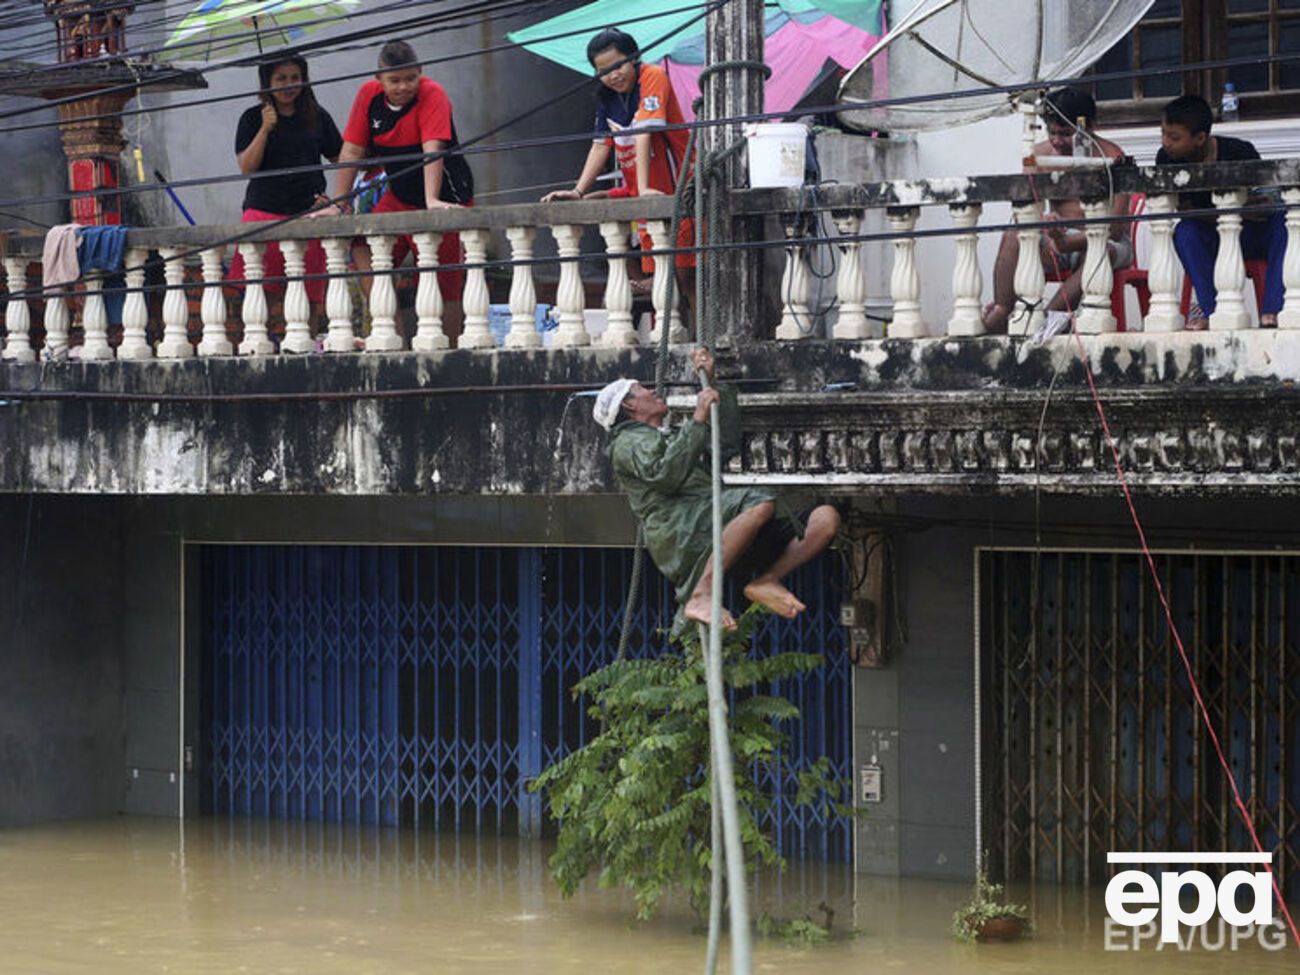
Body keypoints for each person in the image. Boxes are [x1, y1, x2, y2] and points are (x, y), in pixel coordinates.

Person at [594, 347, 840, 631]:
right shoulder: (628, 442)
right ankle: (702, 592)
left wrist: (714, 383)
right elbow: (665, 475)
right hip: (683, 527)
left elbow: (723, 446)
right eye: (642, 390)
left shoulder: (671, 435)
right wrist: (697, 420)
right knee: (758, 502)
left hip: (713, 519)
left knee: (826, 518)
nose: (652, 391)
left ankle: (767, 579)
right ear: (630, 406)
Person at [542, 28, 695, 317]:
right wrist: (577, 192)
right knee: (665, 281)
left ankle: (699, 346)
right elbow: (601, 145)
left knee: (686, 280)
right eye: (604, 71)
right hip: (645, 202)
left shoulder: (652, 76)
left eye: (618, 66)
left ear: (634, 59)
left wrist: (644, 187)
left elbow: (644, 132)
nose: (613, 75)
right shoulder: (606, 97)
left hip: (676, 190)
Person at [334, 40, 474, 343]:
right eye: (394, 80)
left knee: (444, 282)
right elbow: (352, 150)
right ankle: (390, 338)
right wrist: (340, 203)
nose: (403, 87)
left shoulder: (433, 93)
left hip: (446, 195)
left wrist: (432, 201)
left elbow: (432, 151)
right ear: (379, 79)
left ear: (420, 73)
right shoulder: (367, 97)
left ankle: (446, 351)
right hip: (398, 196)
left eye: (410, 78)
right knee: (363, 247)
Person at [983, 88, 1131, 333]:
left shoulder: (1113, 157)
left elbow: (1114, 230)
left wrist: (1067, 241)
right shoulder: (1038, 155)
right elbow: (1030, 212)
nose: (1057, 141)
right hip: (1057, 240)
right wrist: (1050, 228)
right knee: (1014, 232)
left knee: (1099, 249)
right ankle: (1000, 311)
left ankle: (1050, 319)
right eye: (1052, 132)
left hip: (1106, 242)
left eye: (1065, 133)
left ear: (1088, 127)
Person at [1156, 94, 1285, 329]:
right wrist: (1238, 213)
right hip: (1209, 239)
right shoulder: (1166, 159)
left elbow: (1264, 200)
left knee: (1283, 225)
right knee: (1185, 232)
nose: (1166, 142)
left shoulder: (1240, 151)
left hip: (1249, 235)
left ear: (1200, 138)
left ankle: (1273, 309)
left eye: (1174, 137)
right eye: (1163, 133)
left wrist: (1256, 208)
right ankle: (1211, 310)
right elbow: (1186, 213)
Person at [230, 54, 343, 311]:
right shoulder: (252, 118)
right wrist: (265, 129)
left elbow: (343, 158)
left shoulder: (316, 116)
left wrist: (334, 201)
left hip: (309, 214)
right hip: (263, 212)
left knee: (309, 296)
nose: (289, 85)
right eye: (280, 78)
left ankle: (310, 348)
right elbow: (247, 166)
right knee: (259, 293)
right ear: (267, 82)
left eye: (295, 78)